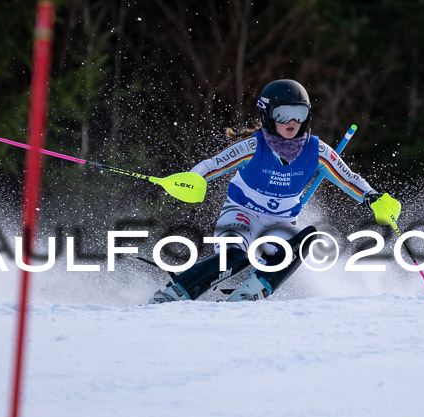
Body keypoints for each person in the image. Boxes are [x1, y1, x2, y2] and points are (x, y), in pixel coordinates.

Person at [149, 79, 395, 303]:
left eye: (299, 114)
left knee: (306, 239)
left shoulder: (316, 151)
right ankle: (174, 293)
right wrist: (193, 178)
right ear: (268, 114)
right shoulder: (254, 146)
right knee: (236, 256)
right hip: (240, 214)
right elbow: (212, 165)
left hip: (280, 223)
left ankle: (250, 293)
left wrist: (372, 197)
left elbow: (349, 179)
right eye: (283, 114)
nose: (292, 122)